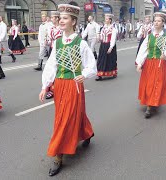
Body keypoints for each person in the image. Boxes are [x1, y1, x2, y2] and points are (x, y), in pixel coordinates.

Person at [39, 4, 97, 176]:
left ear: (73, 21)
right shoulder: (57, 43)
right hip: (60, 85)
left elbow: (91, 66)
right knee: (68, 115)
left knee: (65, 119)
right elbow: (51, 66)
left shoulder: (82, 44)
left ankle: (58, 155)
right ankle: (87, 133)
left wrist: (84, 75)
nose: (61, 20)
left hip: (74, 85)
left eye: (65, 18)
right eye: (60, 18)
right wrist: (45, 86)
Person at [135, 12, 166, 119]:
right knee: (148, 84)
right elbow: (143, 50)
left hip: (159, 64)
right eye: (155, 21)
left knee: (157, 83)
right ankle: (150, 102)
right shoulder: (149, 37)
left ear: (163, 23)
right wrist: (139, 63)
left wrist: (165, 56)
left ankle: (150, 106)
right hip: (149, 63)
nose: (156, 23)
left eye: (159, 21)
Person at [96, 14, 118, 81]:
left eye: (106, 19)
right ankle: (100, 74)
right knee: (101, 59)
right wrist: (99, 38)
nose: (105, 20)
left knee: (110, 59)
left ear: (110, 20)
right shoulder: (103, 28)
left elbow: (113, 38)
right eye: (105, 19)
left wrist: (111, 47)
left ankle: (112, 72)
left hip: (109, 45)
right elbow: (102, 37)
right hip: (103, 45)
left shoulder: (113, 29)